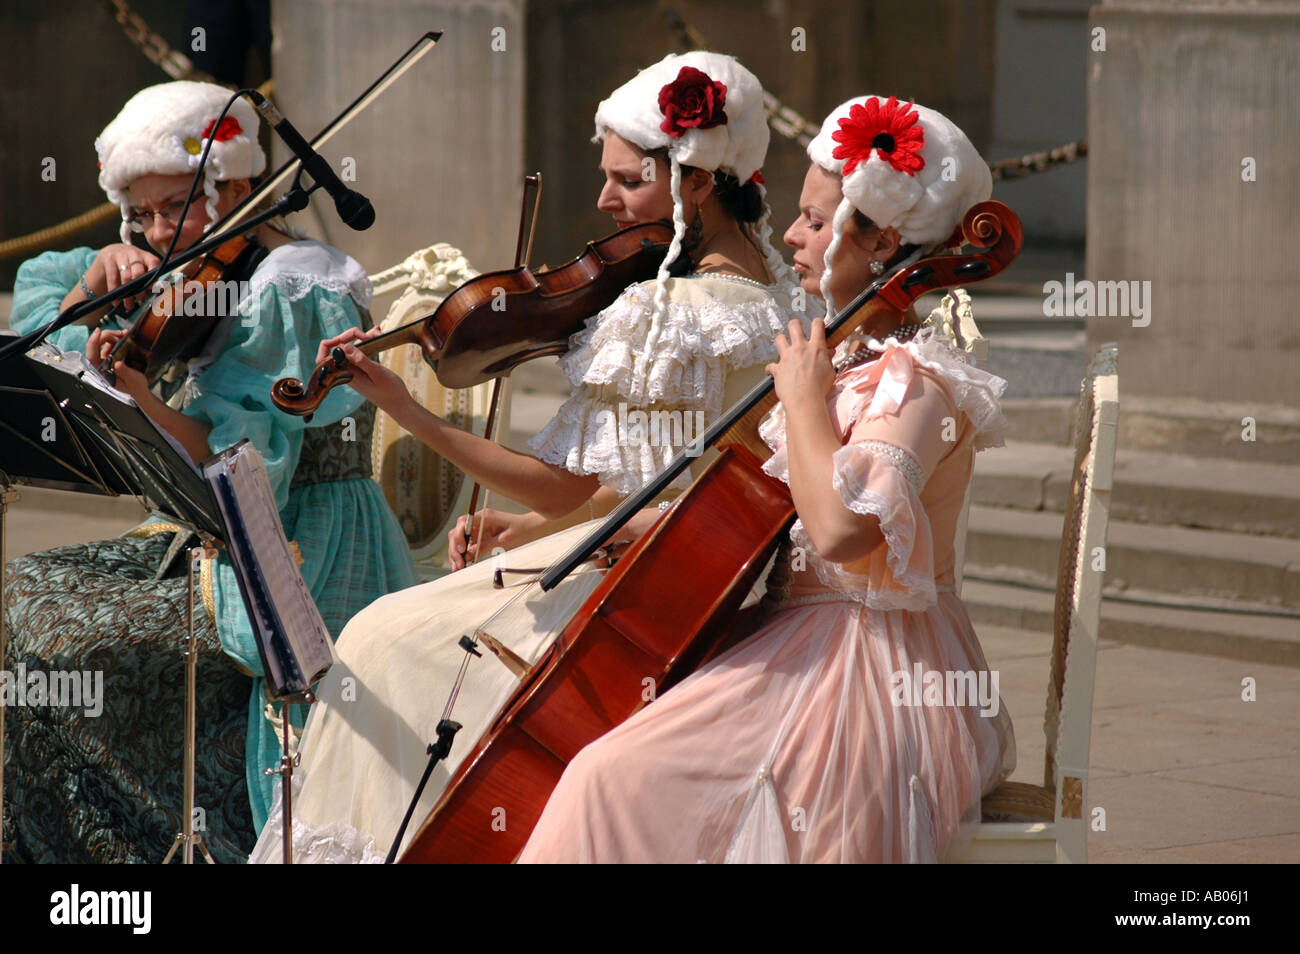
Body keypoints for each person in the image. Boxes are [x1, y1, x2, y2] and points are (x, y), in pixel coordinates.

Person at [248, 51, 807, 863]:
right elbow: (653, 475)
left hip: (650, 584)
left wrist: (407, 410)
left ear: (694, 184)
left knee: (381, 641)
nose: (604, 200)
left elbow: (565, 487)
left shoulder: (669, 314)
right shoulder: (778, 287)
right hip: (706, 567)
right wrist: (513, 529)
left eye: (629, 180)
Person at [517, 95, 1017, 863]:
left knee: (606, 776)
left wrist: (802, 402)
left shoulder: (916, 380)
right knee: (603, 754)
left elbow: (843, 534)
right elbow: (760, 514)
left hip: (866, 669)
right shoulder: (845, 360)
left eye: (816, 222)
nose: (790, 235)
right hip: (800, 636)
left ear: (883, 242)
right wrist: (595, 536)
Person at [2, 80, 416, 863]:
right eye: (143, 215)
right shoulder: (190, 279)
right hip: (217, 533)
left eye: (176, 208)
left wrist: (136, 400)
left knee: (58, 632)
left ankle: (188, 837)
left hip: (302, 545)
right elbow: (39, 297)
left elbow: (241, 460)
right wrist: (98, 276)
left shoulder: (291, 285)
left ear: (238, 189)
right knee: (24, 593)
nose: (160, 233)